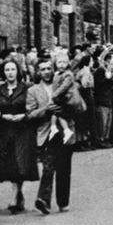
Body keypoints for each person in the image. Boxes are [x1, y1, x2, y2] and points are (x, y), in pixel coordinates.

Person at [28, 59, 79, 214]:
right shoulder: (33, 90)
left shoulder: (65, 84)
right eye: (42, 69)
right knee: (48, 167)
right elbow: (30, 114)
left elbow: (78, 105)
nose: (46, 72)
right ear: (38, 72)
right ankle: (44, 200)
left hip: (65, 130)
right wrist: (46, 109)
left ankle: (63, 202)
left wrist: (65, 108)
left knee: (64, 168)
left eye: (49, 68)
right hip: (46, 131)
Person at [0, 60, 37, 212]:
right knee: (9, 163)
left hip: (22, 130)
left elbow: (33, 108)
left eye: (13, 69)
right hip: (5, 130)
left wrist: (23, 116)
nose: (10, 72)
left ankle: (14, 196)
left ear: (18, 71)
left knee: (20, 162)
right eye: (7, 70)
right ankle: (19, 194)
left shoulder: (27, 87)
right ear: (3, 72)